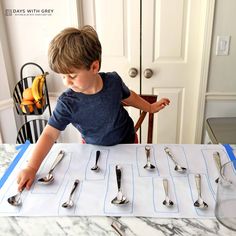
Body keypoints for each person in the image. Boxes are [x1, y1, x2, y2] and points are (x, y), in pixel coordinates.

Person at [17, 25, 170, 191]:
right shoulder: (67, 103)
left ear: (94, 67)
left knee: (131, 185)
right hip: (94, 150)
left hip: (128, 143)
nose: (66, 82)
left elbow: (129, 97)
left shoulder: (113, 81)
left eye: (72, 76)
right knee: (101, 189)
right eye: (63, 76)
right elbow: (49, 134)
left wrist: (150, 107)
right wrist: (32, 167)